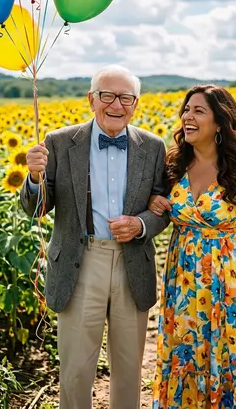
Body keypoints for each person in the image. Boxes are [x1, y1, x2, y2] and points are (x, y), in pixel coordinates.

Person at [20, 65, 169, 409]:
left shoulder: (153, 146)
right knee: (75, 368)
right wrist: (33, 175)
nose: (116, 104)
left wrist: (141, 224)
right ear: (91, 99)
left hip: (132, 261)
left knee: (129, 368)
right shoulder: (58, 141)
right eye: (107, 95)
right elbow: (37, 208)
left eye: (126, 97)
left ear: (136, 103)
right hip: (80, 260)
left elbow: (161, 207)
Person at [149, 85, 236, 408]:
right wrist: (155, 201)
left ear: (220, 122)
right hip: (184, 282)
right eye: (186, 110)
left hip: (232, 281)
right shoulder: (173, 165)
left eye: (198, 111)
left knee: (233, 352)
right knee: (187, 353)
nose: (187, 117)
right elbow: (159, 203)